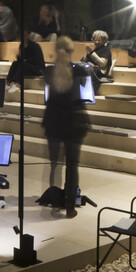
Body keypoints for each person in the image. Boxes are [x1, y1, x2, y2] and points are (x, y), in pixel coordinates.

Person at [41, 37, 92, 218]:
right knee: (72, 165)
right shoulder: (80, 71)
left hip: (54, 121)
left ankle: (55, 204)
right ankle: (70, 207)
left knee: (55, 165)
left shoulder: (48, 72)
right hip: (74, 121)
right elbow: (90, 93)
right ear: (71, 51)